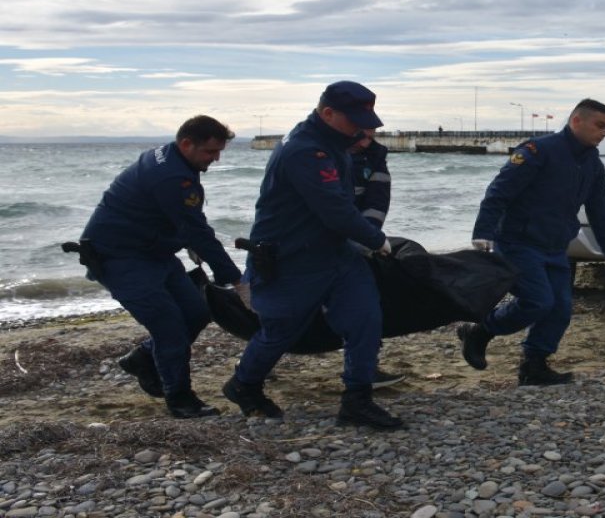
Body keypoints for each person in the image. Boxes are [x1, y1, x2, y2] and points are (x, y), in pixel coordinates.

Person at [223, 81, 402, 429]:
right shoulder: (305, 150)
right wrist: (377, 239)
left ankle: (357, 401)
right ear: (328, 113)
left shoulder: (334, 143)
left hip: (336, 251)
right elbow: (334, 209)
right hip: (292, 257)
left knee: (364, 317)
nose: (361, 128)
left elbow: (348, 200)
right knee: (281, 329)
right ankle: (244, 384)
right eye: (354, 120)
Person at [79, 115, 241, 418]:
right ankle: (180, 398)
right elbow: (196, 229)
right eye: (210, 152)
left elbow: (180, 218)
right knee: (170, 329)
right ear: (186, 143)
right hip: (119, 258)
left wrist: (189, 240)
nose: (215, 159)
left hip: (155, 253)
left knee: (196, 312)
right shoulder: (170, 176)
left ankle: (142, 357)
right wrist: (234, 279)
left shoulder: (173, 159)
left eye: (219, 152)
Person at [456, 98, 605, 386]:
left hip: (555, 246)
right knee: (537, 302)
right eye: (599, 126)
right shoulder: (538, 151)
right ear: (576, 121)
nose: (603, 133)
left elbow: (599, 209)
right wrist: (482, 232)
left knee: (559, 309)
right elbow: (499, 192)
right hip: (518, 242)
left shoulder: (592, 162)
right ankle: (481, 330)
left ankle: (533, 366)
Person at [349, 129, 405, 389]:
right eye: (360, 135)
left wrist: (368, 240)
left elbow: (377, 203)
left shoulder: (375, 158)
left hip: (357, 243)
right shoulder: (320, 155)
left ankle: (364, 372)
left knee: (365, 306)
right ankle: (253, 369)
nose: (365, 142)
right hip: (318, 245)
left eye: (370, 137)